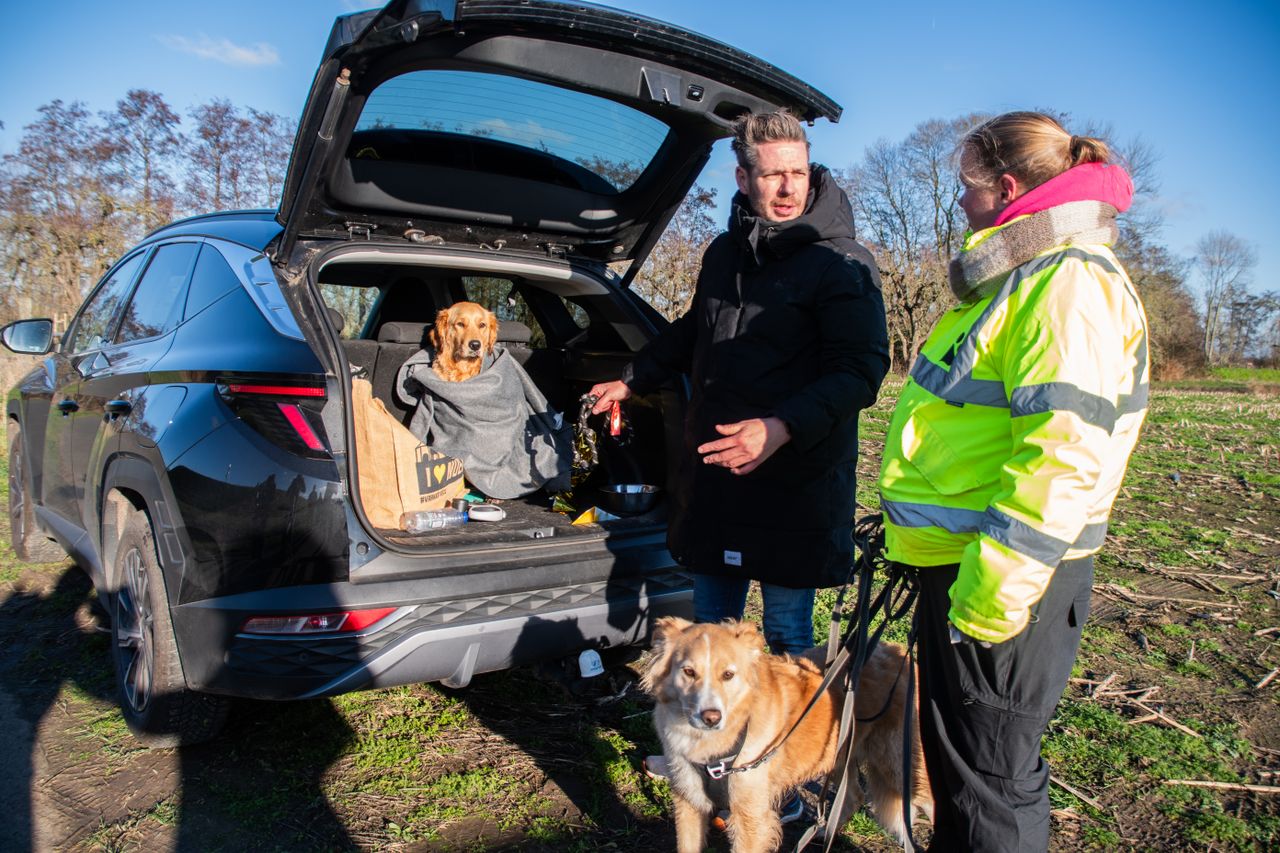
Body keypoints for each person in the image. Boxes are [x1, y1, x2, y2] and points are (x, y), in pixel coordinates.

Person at [879, 111, 1149, 851]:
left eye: (965, 187)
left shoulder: (1066, 285)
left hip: (1002, 583)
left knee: (991, 785)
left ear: (1004, 187)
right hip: (971, 571)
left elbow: (1061, 457)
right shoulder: (1029, 276)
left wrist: (990, 596)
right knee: (966, 778)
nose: (958, 204)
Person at [590, 110, 888, 658]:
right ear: (744, 178)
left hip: (795, 478)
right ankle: (717, 745)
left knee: (788, 639)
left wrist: (781, 427)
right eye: (773, 174)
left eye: (798, 173)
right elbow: (694, 329)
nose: (787, 187)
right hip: (717, 475)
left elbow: (861, 370)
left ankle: (784, 746)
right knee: (710, 638)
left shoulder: (841, 263)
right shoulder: (723, 254)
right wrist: (631, 380)